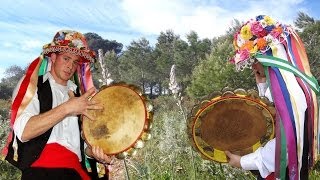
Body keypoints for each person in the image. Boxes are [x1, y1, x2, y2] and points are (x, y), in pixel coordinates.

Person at [2, 30, 114, 179]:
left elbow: (84, 146)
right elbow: (24, 132)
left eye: (75, 62)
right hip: (41, 171)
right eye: (66, 58)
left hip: (76, 171)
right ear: (53, 57)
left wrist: (93, 153)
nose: (70, 66)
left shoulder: (81, 95)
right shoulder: (34, 85)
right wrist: (67, 108)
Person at [225, 15, 319, 180]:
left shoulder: (291, 93)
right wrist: (262, 84)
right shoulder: (289, 86)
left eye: (255, 59)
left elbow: (283, 146)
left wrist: (242, 161)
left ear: (270, 57)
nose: (253, 66)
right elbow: (269, 117)